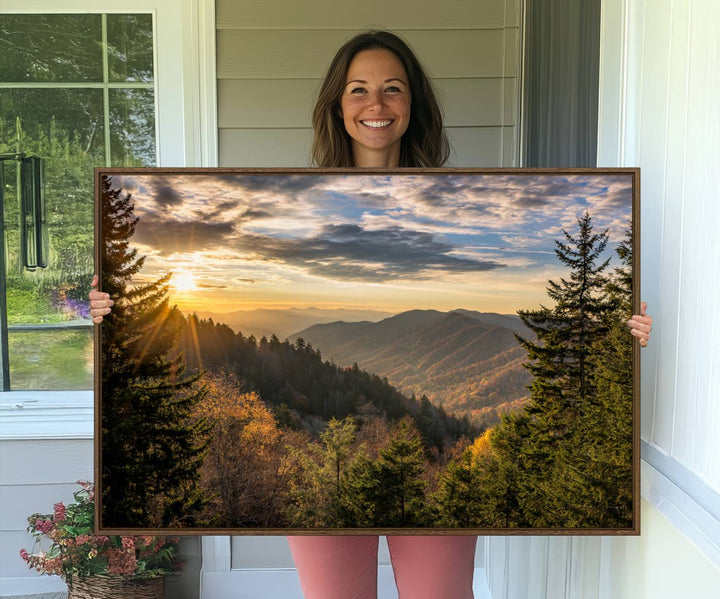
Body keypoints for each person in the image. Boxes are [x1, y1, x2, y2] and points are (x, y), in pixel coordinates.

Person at [89, 30, 653, 599]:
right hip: (322, 477)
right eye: (358, 89)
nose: (376, 105)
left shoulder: (462, 195)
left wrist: (617, 337)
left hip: (428, 484)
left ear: (413, 105)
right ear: (338, 105)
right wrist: (115, 310)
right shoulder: (297, 200)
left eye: (392, 89)